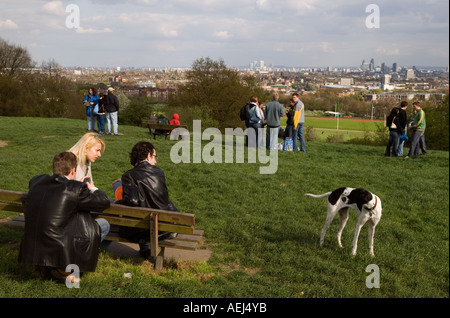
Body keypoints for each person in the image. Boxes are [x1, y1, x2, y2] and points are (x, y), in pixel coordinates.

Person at [18, 152, 111, 282]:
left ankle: (43, 267)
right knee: (104, 224)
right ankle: (64, 269)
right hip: (61, 244)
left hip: (35, 241)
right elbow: (104, 202)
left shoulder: (36, 181)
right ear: (73, 170)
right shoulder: (76, 189)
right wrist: (93, 188)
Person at [114, 141, 178, 259]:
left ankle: (145, 249)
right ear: (148, 156)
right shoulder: (159, 172)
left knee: (117, 187)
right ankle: (146, 250)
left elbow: (132, 201)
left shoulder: (129, 175)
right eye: (154, 157)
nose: (156, 161)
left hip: (141, 229)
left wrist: (117, 202)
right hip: (163, 228)